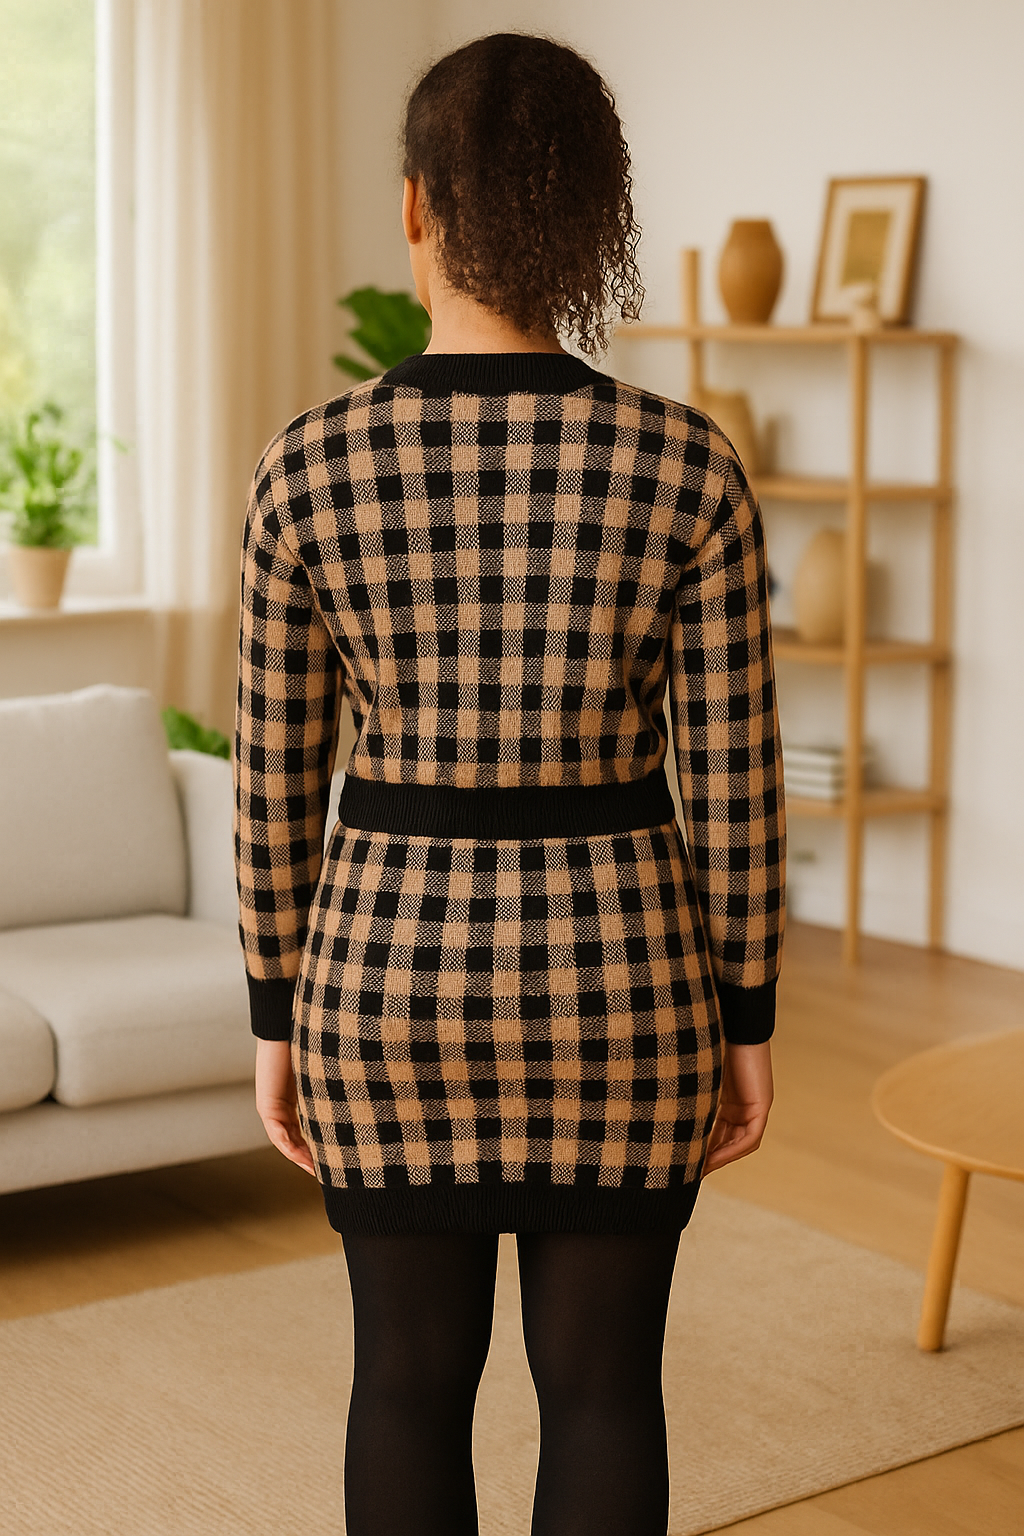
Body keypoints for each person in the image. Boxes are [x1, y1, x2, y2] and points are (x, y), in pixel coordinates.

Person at [234, 31, 785, 1536]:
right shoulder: (690, 469)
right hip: (625, 982)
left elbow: (272, 793)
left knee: (401, 1386)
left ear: (415, 210)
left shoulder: (307, 471)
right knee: (606, 1393)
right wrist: (747, 1021)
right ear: (594, 217)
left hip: (383, 983)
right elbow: (735, 791)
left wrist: (278, 1015)